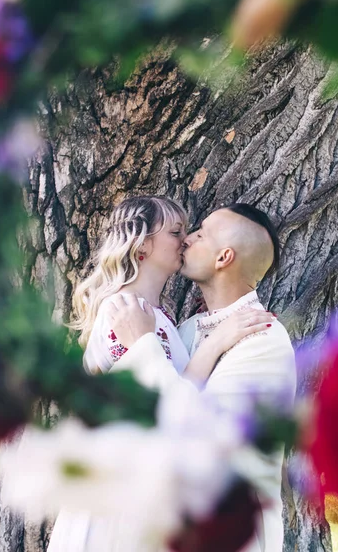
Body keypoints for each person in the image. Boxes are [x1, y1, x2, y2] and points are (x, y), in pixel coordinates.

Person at [47, 196, 273, 552]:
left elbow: (179, 390)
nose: (185, 240)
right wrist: (217, 343)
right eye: (175, 232)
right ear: (141, 247)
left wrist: (217, 340)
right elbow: (153, 410)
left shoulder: (160, 321)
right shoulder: (119, 312)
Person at [108, 203, 297, 552]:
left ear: (224, 257)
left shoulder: (264, 339)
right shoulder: (186, 330)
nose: (188, 239)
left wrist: (142, 347)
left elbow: (206, 441)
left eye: (200, 233)